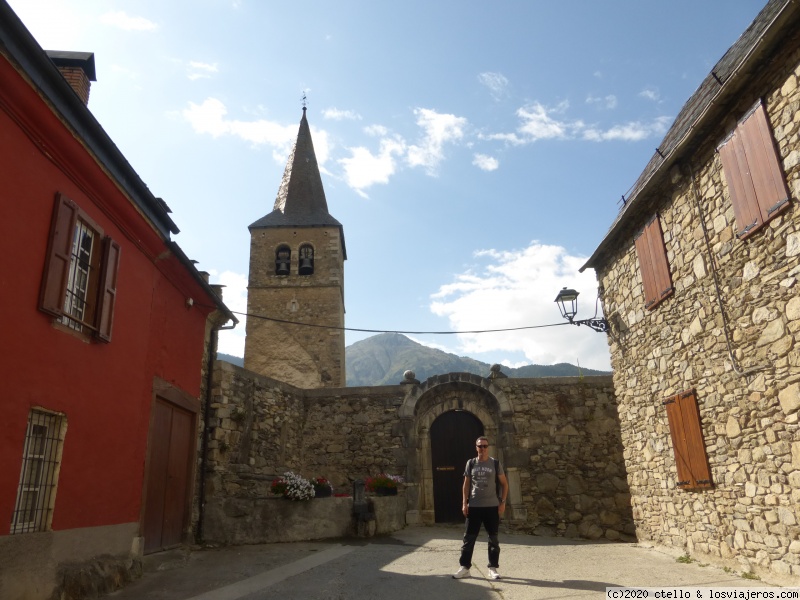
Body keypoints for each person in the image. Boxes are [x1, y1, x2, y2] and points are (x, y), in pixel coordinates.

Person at [453, 436, 509, 580]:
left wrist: (502, 502)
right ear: (476, 447)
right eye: (480, 446)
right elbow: (466, 484)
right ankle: (465, 568)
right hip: (474, 507)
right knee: (469, 539)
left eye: (485, 446)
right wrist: (464, 503)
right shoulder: (471, 463)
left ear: (488, 447)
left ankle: (492, 568)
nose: (482, 449)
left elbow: (504, 483)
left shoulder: (495, 464)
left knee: (493, 539)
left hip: (492, 507)